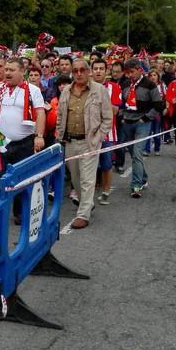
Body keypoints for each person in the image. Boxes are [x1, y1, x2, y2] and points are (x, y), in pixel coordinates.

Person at [0, 56, 46, 226]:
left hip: (24, 144)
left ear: (22, 72)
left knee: (21, 180)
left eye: (11, 70)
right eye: (6, 69)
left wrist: (39, 136)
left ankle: (20, 213)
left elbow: (40, 113)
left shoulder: (33, 90)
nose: (7, 73)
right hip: (1, 143)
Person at [55, 58, 112, 228]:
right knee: (76, 178)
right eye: (76, 70)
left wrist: (99, 137)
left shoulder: (99, 90)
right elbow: (60, 115)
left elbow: (107, 118)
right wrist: (60, 133)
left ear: (88, 72)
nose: (79, 74)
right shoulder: (66, 91)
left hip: (89, 142)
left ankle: (83, 214)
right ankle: (86, 203)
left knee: (87, 179)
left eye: (82, 70)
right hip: (70, 142)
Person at [118, 58, 164, 198]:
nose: (130, 75)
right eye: (127, 73)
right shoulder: (125, 84)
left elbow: (158, 105)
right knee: (133, 153)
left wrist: (146, 117)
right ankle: (143, 178)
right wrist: (121, 116)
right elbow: (121, 103)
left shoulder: (150, 85)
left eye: (132, 72)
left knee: (138, 152)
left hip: (142, 123)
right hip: (127, 122)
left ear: (139, 69)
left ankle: (136, 185)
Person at [91, 59, 121, 205]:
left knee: (107, 164)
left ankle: (105, 191)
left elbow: (115, 110)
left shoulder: (114, 87)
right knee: (88, 164)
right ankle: (86, 193)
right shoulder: (85, 87)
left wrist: (102, 100)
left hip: (108, 132)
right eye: (95, 68)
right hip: (89, 133)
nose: (98, 71)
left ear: (106, 71)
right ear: (91, 71)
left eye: (101, 68)